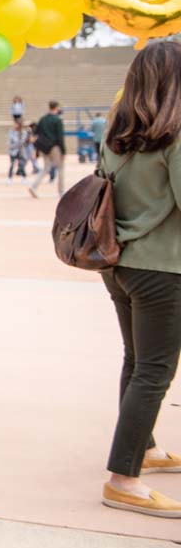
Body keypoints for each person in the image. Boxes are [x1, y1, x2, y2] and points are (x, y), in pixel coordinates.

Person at [97, 40, 181, 518]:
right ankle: (123, 479)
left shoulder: (116, 132)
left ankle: (143, 449)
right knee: (155, 370)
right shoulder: (175, 134)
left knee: (137, 360)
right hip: (162, 267)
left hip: (118, 264)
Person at [28, 100, 65, 198]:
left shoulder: (43, 119)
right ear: (56, 107)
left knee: (46, 168)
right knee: (60, 168)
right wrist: (63, 151)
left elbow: (36, 132)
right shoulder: (57, 120)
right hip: (54, 147)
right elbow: (60, 137)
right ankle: (61, 191)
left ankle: (33, 186)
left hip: (44, 147)